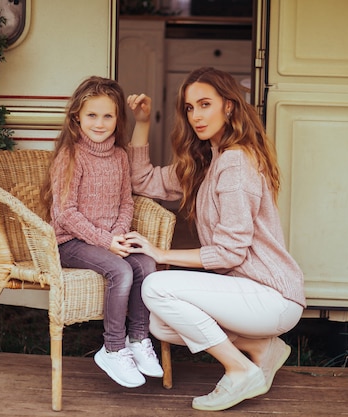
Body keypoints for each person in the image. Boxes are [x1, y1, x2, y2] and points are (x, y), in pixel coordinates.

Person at [124, 67, 305, 411]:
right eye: (190, 108)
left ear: (229, 106)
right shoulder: (206, 161)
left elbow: (229, 253)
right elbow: (142, 180)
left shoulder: (236, 162)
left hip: (271, 295)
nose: (196, 115)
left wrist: (161, 253)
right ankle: (262, 348)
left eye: (205, 104)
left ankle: (239, 370)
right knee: (162, 323)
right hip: (248, 293)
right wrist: (143, 122)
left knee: (155, 288)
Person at [41, 76, 163, 388]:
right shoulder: (71, 156)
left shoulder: (120, 156)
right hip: (71, 242)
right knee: (121, 271)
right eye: (92, 115)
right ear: (76, 117)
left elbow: (126, 201)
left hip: (108, 240)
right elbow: (64, 213)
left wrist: (119, 236)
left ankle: (138, 339)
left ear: (118, 119)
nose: (100, 123)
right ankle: (113, 348)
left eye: (108, 115)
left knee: (146, 264)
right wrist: (107, 241)